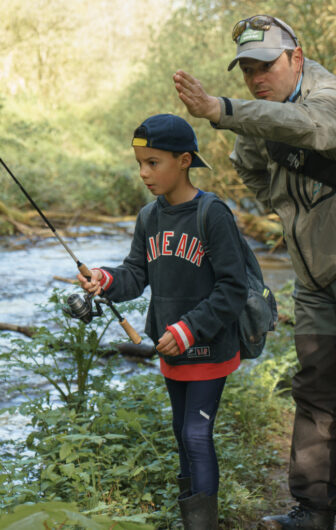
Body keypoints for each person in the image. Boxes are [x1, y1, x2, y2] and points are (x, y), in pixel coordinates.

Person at [172, 15, 336, 530]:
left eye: (266, 65)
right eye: (247, 71)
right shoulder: (262, 116)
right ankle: (314, 509)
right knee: (316, 391)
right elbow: (249, 163)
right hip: (314, 275)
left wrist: (223, 109)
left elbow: (305, 127)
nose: (257, 78)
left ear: (296, 58)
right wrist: (287, 210)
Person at [77, 113, 248, 529]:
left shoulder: (213, 214)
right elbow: (136, 274)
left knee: (195, 434)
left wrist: (188, 328)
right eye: (139, 163)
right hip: (171, 349)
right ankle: (193, 515)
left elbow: (233, 287)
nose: (143, 173)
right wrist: (106, 278)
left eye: (153, 163)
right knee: (181, 432)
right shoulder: (148, 217)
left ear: (185, 160)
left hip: (207, 344)